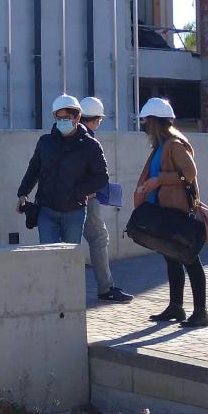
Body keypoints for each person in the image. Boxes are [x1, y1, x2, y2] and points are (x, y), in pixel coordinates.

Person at [135, 97, 208, 328]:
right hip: (164, 211)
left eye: (146, 121)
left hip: (178, 212)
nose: (144, 125)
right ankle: (176, 306)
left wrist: (159, 181)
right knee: (171, 257)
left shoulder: (174, 145)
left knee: (189, 259)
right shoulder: (161, 146)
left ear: (155, 122)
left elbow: (190, 172)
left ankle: (201, 312)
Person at [17, 94, 108, 245]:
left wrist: (78, 192)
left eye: (66, 118)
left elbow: (101, 177)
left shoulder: (90, 145)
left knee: (69, 260)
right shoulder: (45, 142)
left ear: (77, 118)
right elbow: (33, 169)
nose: (61, 122)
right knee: (49, 256)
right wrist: (23, 194)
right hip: (46, 210)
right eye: (58, 118)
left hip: (75, 211)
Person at [79, 97, 133, 303]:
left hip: (63, 199)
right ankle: (105, 287)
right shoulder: (88, 139)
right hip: (84, 199)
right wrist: (90, 189)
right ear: (96, 120)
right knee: (99, 239)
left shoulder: (64, 137)